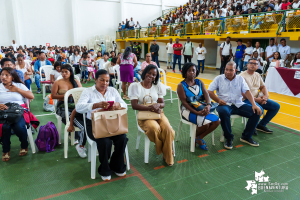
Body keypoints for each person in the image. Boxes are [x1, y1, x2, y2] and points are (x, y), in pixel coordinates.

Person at [76, 69, 128, 181]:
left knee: (122, 138)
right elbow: (79, 107)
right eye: (102, 80)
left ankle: (117, 165)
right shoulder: (88, 91)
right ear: (95, 80)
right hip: (95, 125)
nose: (104, 83)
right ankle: (105, 168)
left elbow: (125, 105)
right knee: (105, 142)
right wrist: (95, 105)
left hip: (112, 123)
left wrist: (118, 105)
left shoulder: (113, 91)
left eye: (107, 81)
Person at [207, 61, 262, 149]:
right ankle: (229, 138)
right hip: (224, 104)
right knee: (224, 112)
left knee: (257, 111)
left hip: (238, 104)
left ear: (235, 70)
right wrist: (218, 100)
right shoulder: (218, 78)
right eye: (226, 69)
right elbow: (209, 91)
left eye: (231, 70)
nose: (228, 72)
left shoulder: (240, 79)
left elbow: (247, 91)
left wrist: (254, 104)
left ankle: (246, 136)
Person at [128, 65, 175, 166]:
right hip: (145, 115)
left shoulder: (157, 86)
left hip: (158, 113)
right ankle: (166, 150)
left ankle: (166, 155)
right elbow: (134, 105)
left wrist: (158, 105)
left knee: (167, 128)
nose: (151, 76)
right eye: (149, 73)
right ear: (144, 73)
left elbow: (163, 103)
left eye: (154, 74)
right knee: (154, 128)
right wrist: (150, 108)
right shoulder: (135, 86)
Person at [177, 63, 220, 150]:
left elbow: (206, 94)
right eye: (189, 71)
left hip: (201, 107)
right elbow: (184, 103)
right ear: (185, 72)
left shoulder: (199, 82)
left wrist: (208, 105)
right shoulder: (181, 85)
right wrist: (196, 112)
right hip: (187, 110)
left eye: (193, 70)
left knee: (217, 121)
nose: (192, 72)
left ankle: (198, 137)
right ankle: (197, 138)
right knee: (206, 124)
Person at [51, 64, 85, 157]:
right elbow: (53, 96)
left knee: (86, 117)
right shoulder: (57, 83)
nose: (64, 73)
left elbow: (82, 94)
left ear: (70, 72)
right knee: (70, 117)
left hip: (75, 105)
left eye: (66, 71)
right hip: (62, 105)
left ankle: (77, 135)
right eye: (62, 72)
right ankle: (74, 135)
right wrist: (66, 96)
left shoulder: (76, 82)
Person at [0, 67, 34, 162]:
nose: (4, 77)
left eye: (7, 75)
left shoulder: (18, 85)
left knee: (19, 127)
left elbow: (31, 96)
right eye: (2, 74)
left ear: (12, 77)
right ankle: (6, 149)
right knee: (4, 127)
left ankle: (24, 144)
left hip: (18, 111)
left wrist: (17, 90)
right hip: (3, 112)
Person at [240, 58, 280, 135]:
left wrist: (266, 96)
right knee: (259, 109)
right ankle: (252, 127)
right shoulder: (242, 76)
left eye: (255, 64)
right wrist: (256, 100)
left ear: (258, 66)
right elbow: (241, 92)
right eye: (251, 63)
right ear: (247, 65)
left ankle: (261, 125)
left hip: (257, 99)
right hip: (245, 99)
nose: (252, 65)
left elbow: (263, 87)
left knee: (276, 106)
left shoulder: (258, 75)